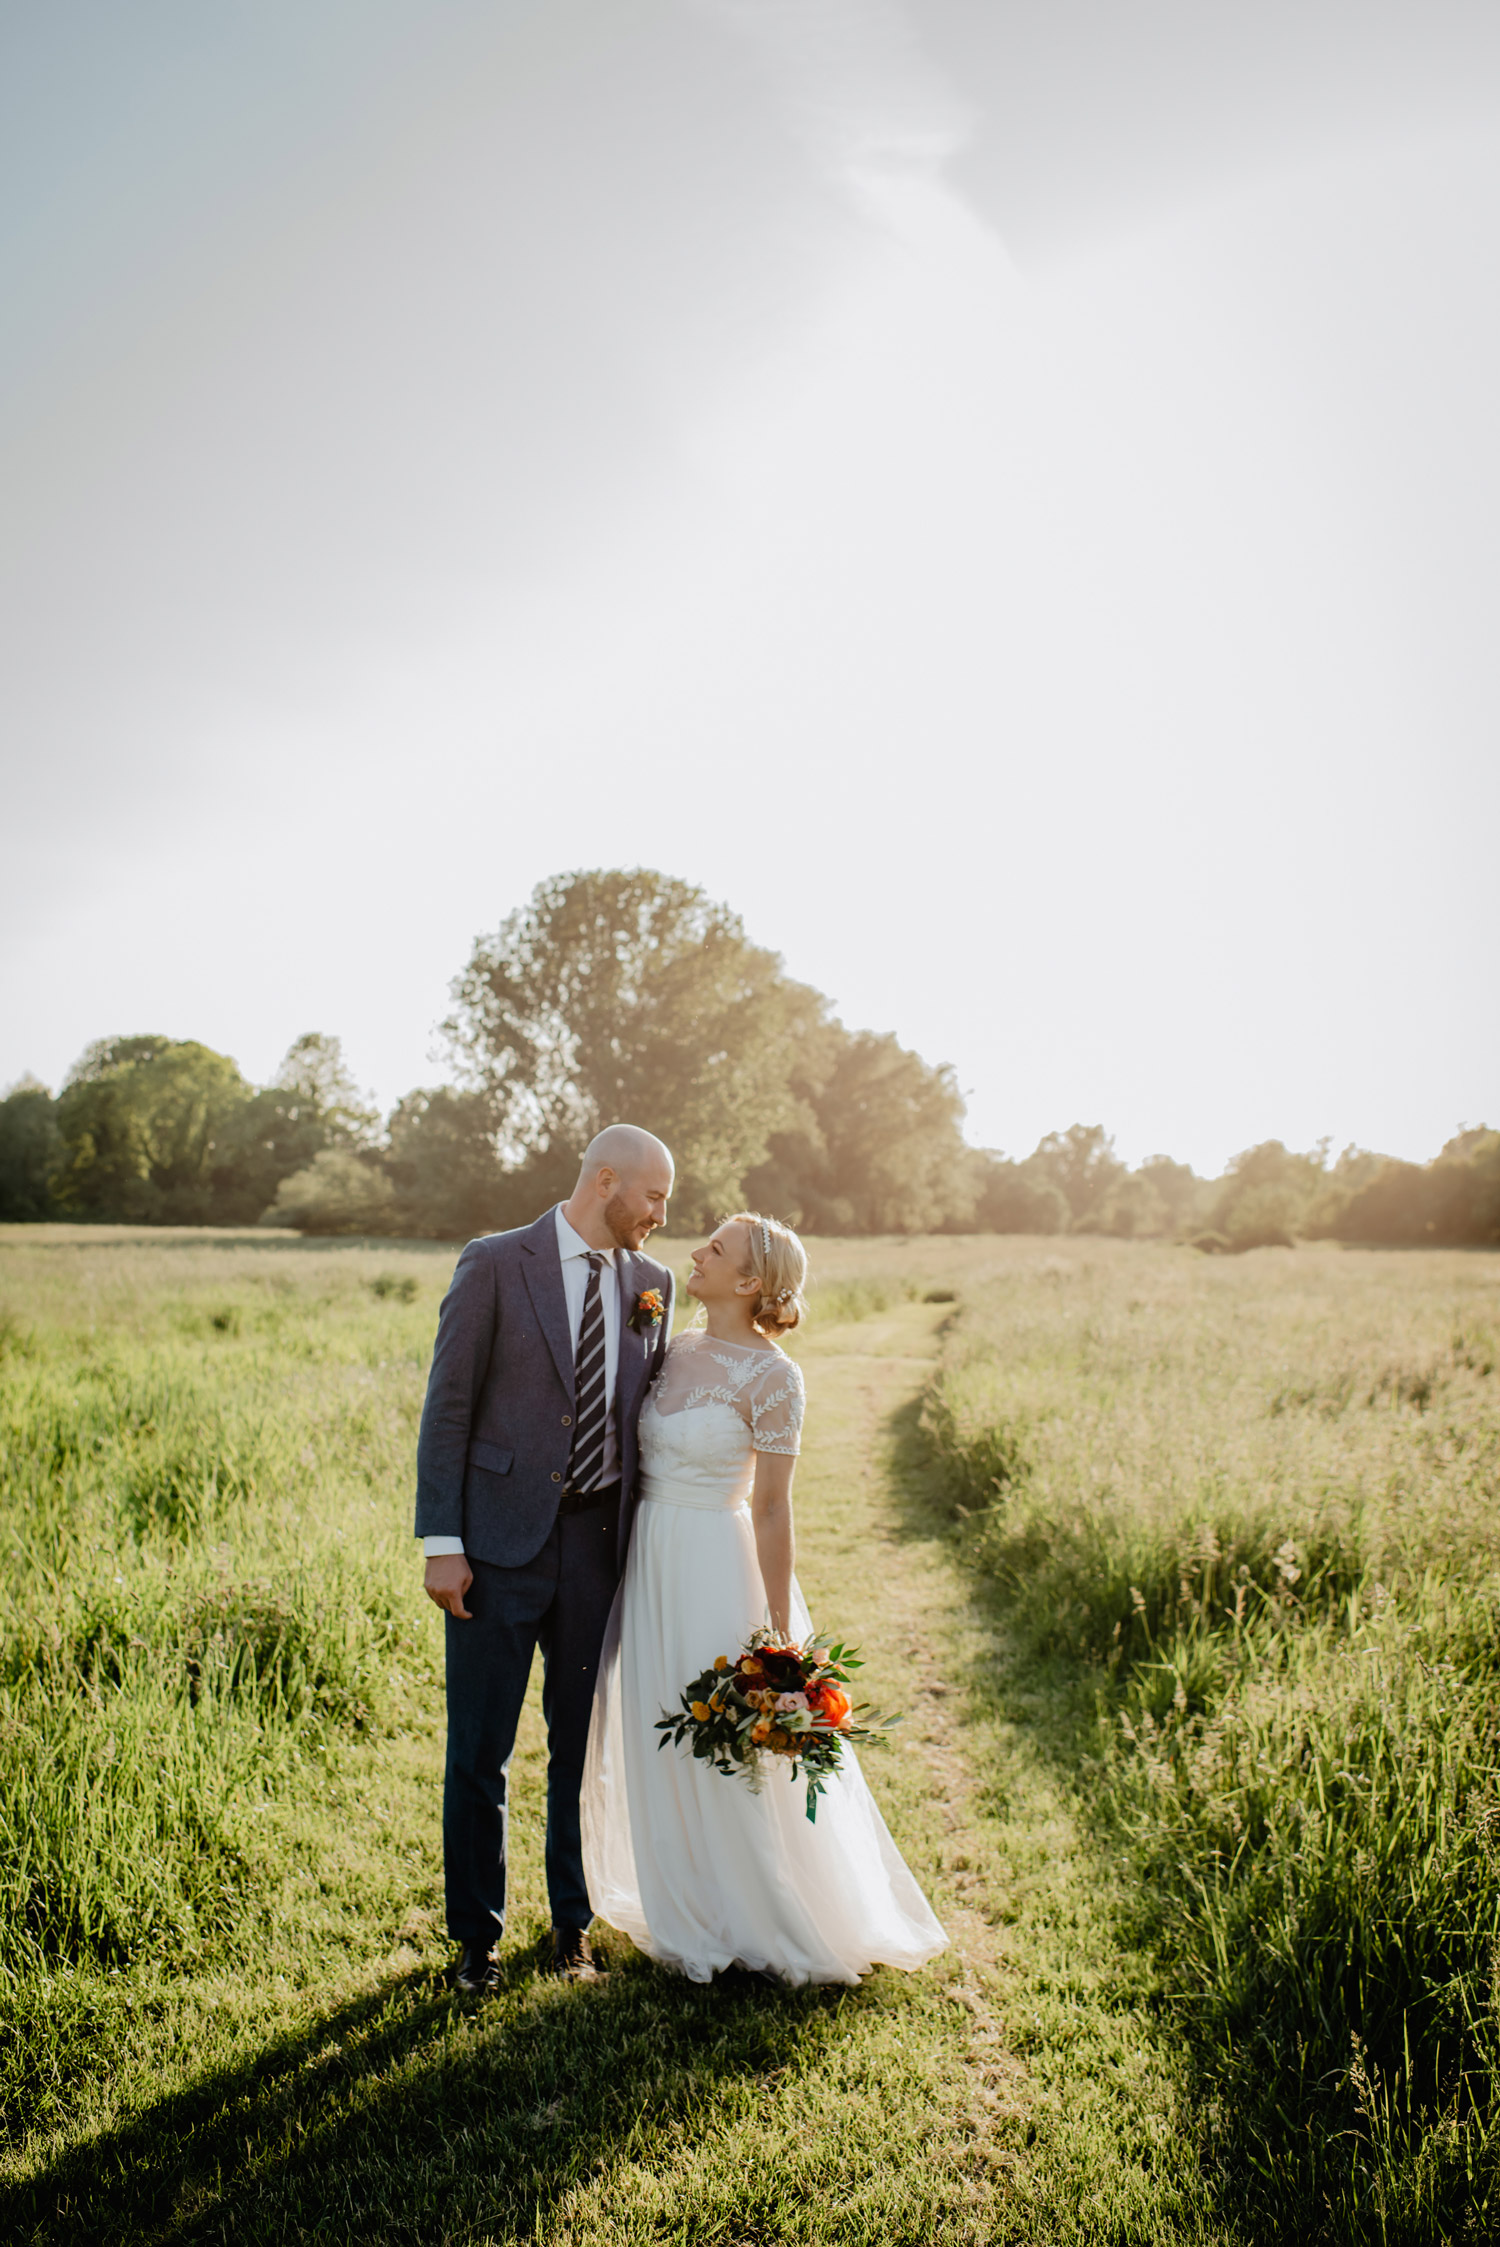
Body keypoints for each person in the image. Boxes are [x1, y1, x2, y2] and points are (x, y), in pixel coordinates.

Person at [582, 1211, 946, 1985]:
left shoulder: (777, 1378)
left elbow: (775, 1506)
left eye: (717, 1248)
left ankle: (757, 1906)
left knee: (729, 1736)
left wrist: (779, 1630)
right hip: (649, 1558)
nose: (698, 1251)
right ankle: (686, 1893)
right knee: (659, 1726)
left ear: (749, 1282)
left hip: (718, 1558)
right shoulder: (672, 1345)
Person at [415, 1124, 676, 1989]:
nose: (661, 1216)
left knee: (580, 1747)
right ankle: (476, 1941)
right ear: (606, 1180)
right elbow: (447, 1409)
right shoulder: (493, 1261)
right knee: (479, 1750)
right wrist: (443, 1544)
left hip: (599, 1548)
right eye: (654, 1196)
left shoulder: (653, 1284)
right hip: (495, 1549)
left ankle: (572, 1926)